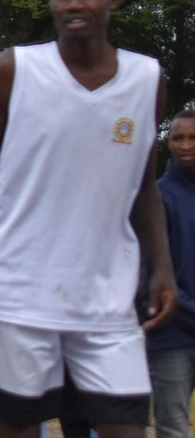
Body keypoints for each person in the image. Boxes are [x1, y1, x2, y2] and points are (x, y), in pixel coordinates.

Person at [0, 0, 178, 438]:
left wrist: (163, 267)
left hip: (107, 293)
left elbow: (143, 186)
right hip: (20, 291)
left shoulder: (147, 79)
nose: (74, 4)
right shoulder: (13, 70)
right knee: (19, 425)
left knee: (124, 425)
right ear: (50, 2)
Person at [152, 107, 195, 438]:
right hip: (172, 336)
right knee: (173, 428)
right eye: (177, 138)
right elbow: (151, 269)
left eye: (193, 138)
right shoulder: (157, 197)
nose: (185, 145)